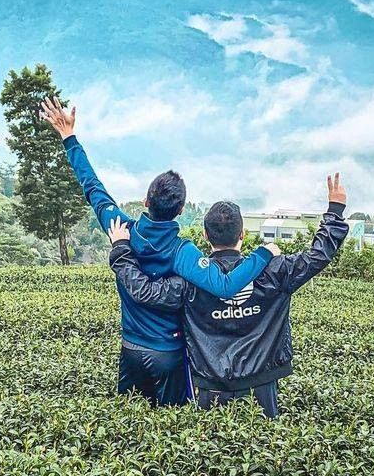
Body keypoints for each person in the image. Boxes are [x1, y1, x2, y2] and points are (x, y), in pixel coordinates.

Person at [39, 95, 275, 406]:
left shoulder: (120, 230)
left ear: (146, 201)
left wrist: (68, 137)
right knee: (168, 432)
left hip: (131, 349)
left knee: (128, 427)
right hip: (168, 354)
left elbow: (93, 188)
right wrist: (263, 253)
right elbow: (227, 285)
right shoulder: (183, 252)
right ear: (180, 211)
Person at [106, 174, 348, 417]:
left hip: (211, 389)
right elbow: (317, 256)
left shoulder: (190, 281)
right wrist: (334, 212)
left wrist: (121, 250)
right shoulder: (274, 272)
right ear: (242, 234)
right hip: (262, 385)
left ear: (205, 236)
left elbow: (146, 291)